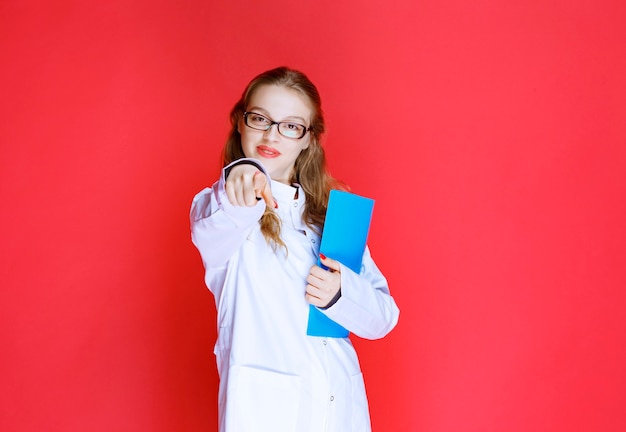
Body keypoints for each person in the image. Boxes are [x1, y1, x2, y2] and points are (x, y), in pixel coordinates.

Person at [190, 66, 399, 432]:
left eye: (290, 126)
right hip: (266, 414)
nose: (272, 134)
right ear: (240, 122)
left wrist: (340, 294)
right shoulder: (224, 207)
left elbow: (383, 318)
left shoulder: (331, 218)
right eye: (260, 119)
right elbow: (226, 213)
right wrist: (241, 171)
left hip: (340, 407)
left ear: (308, 139)